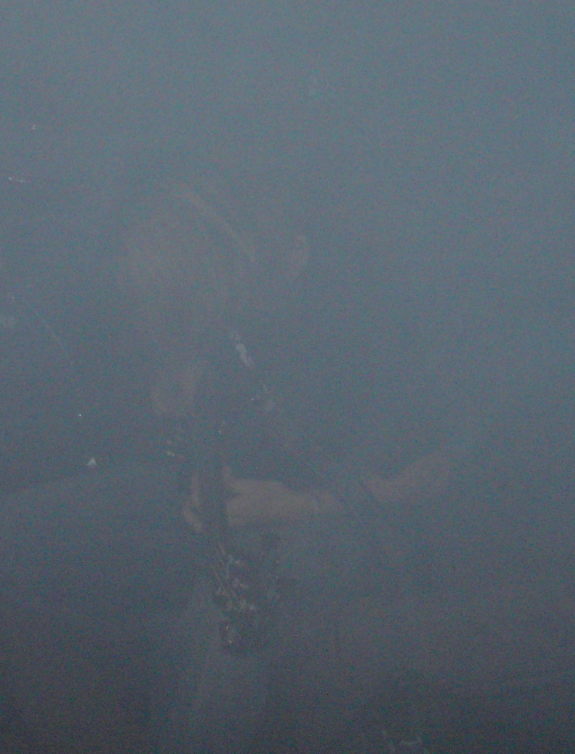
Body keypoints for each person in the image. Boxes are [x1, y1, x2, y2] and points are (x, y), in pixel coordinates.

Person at [118, 163, 451, 753]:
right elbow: (247, 428)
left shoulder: (373, 321)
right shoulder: (248, 314)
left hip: (365, 530)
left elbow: (429, 480)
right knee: (18, 541)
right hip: (262, 511)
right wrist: (203, 467)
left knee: (231, 620)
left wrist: (298, 505)